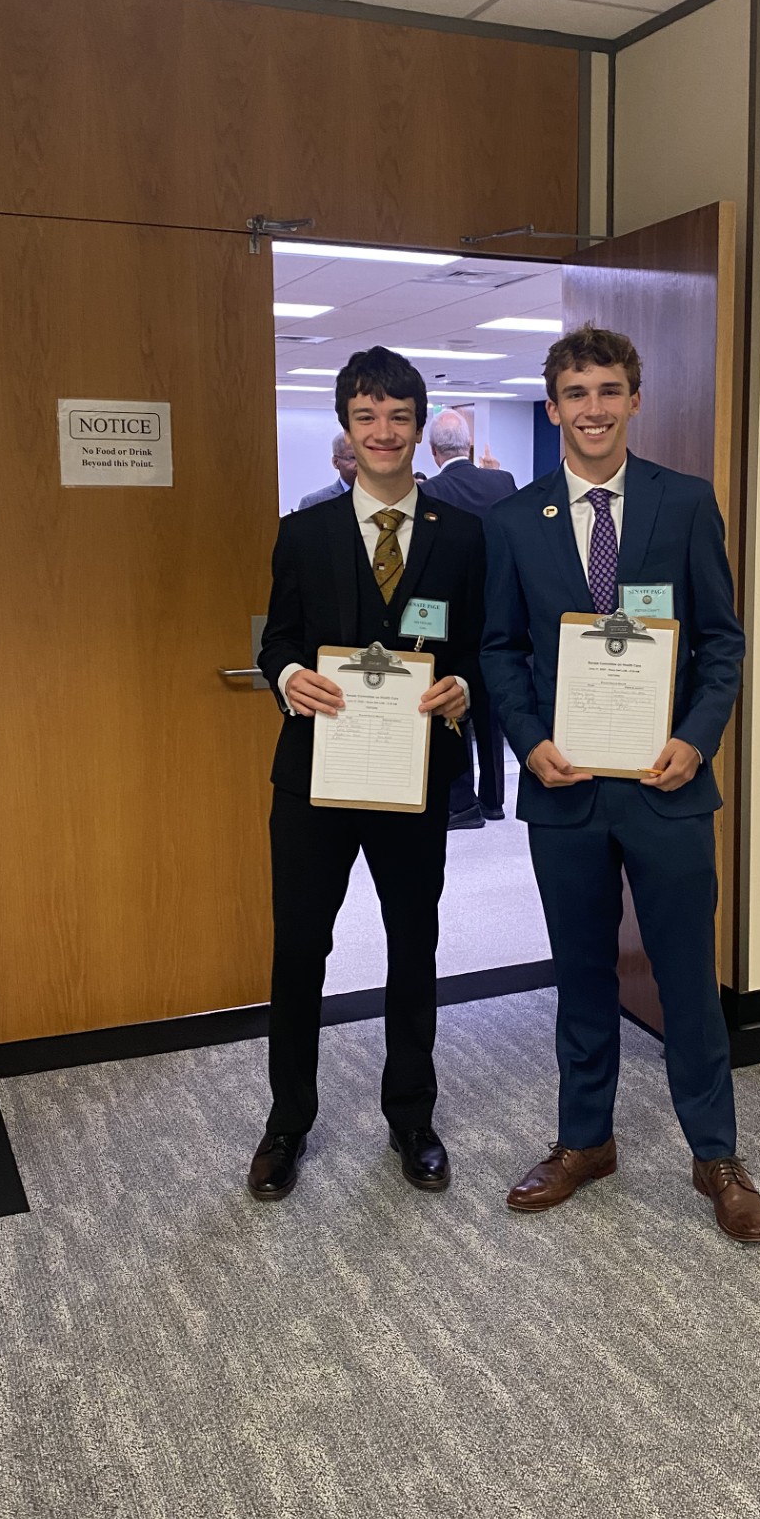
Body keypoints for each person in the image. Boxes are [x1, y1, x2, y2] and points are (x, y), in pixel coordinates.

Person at [481, 324, 760, 1243]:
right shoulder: (518, 520)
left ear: (634, 400)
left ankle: (715, 1154)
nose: (594, 410)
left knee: (687, 975)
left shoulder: (683, 504)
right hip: (564, 789)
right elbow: (500, 650)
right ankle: (585, 1140)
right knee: (581, 974)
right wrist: (527, 743)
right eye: (576, 394)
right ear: (554, 405)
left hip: (665, 783)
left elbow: (720, 640)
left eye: (609, 391)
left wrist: (695, 739)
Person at [252, 347, 485, 1203]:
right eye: (366, 415)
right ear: (347, 428)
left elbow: (481, 647)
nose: (383, 431)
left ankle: (412, 1117)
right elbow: (276, 641)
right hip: (314, 777)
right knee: (299, 949)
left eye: (398, 416)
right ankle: (288, 1121)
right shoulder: (303, 530)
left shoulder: (463, 535)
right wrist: (286, 677)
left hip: (412, 776)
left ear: (420, 428)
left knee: (413, 945)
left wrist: (467, 686)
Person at [423, 409, 517, 828]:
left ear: (432, 451)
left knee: (454, 707)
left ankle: (463, 805)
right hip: (501, 612)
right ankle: (495, 799)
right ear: (471, 447)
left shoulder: (433, 491)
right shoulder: (503, 481)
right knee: (492, 711)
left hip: (454, 619)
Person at [295, 431, 357, 511]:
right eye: (352, 458)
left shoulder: (377, 498)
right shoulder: (313, 503)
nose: (363, 464)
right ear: (335, 462)